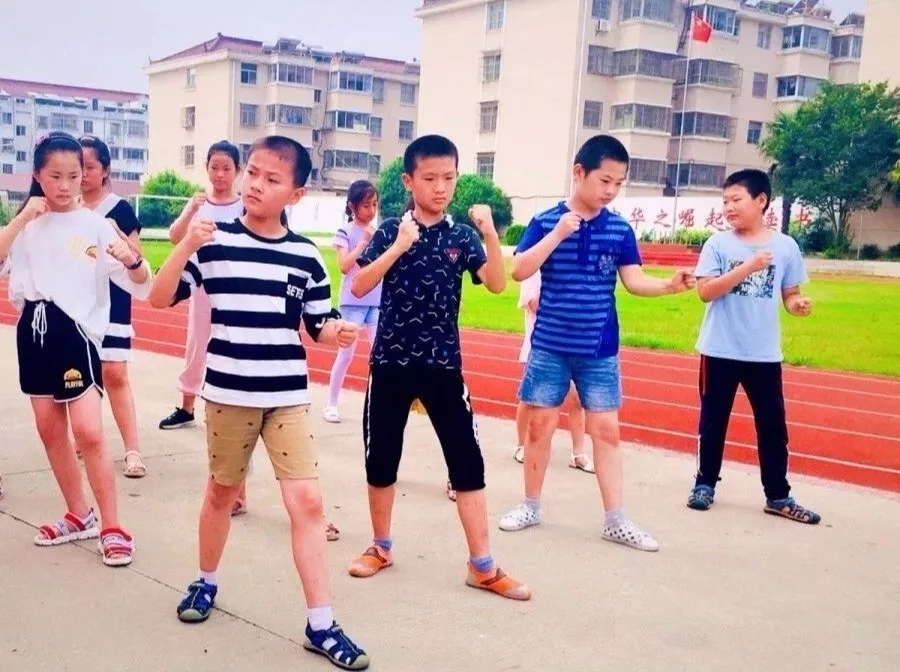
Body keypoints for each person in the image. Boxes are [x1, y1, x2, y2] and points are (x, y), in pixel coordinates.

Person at [148, 135, 369, 670]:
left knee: (308, 504)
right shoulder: (215, 242)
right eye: (253, 172)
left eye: (272, 179)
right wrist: (186, 244)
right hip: (228, 394)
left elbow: (316, 325)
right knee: (222, 494)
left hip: (286, 396)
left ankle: (321, 624)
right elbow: (157, 297)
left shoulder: (305, 255)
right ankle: (206, 580)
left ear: (296, 194)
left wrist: (336, 331)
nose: (255, 185)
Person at [346, 134, 530, 601]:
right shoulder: (391, 229)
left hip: (444, 365)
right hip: (390, 362)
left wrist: (491, 234)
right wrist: (398, 246)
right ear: (409, 181)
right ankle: (380, 546)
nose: (441, 187)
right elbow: (360, 285)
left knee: (467, 462)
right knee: (381, 458)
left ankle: (482, 565)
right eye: (430, 178)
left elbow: (495, 284)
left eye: (449, 178)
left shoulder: (461, 236)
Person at [498, 134, 695, 552]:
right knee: (540, 426)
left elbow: (633, 280)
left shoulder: (619, 229)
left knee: (606, 431)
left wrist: (668, 286)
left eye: (618, 183)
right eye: (605, 180)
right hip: (550, 343)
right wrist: (558, 235)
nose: (611, 190)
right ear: (579, 173)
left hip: (600, 347)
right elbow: (519, 270)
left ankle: (616, 520)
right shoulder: (546, 221)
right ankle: (530, 506)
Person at [0, 131, 152, 566]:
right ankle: (78, 514)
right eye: (55, 176)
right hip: (33, 332)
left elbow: (143, 285)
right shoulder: (27, 225)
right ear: (37, 175)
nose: (66, 185)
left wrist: (132, 259)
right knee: (50, 430)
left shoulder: (96, 225)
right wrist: (21, 220)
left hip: (76, 334)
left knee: (88, 431)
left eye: (74, 174)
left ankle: (113, 526)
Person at [687, 169, 820, 524]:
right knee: (713, 422)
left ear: (761, 201)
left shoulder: (786, 247)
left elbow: (789, 293)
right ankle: (704, 484)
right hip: (719, 349)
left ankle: (778, 495)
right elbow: (705, 292)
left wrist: (797, 305)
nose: (728, 207)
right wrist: (747, 267)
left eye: (736, 199)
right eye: (725, 201)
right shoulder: (718, 244)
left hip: (763, 353)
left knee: (773, 425)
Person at [159, 140, 244, 432]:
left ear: (237, 171)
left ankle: (234, 404)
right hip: (202, 284)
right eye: (214, 167)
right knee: (197, 343)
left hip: (235, 287)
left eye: (226, 168)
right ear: (206, 167)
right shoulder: (198, 203)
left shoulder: (244, 206)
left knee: (235, 342)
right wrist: (189, 212)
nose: (220, 174)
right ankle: (187, 406)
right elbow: (175, 237)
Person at [79, 135, 146, 478]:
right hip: (76, 301)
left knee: (115, 373)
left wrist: (119, 239)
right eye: (79, 167)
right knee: (79, 372)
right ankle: (85, 436)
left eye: (90, 167)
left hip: (114, 300)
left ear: (105, 170)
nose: (83, 174)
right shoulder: (68, 208)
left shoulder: (120, 209)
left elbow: (138, 259)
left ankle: (132, 449)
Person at [513, 270, 592, 473]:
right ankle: (521, 445)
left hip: (571, 344)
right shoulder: (533, 269)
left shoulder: (568, 268)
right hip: (540, 344)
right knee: (530, 399)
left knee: (576, 398)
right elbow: (533, 303)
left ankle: (578, 453)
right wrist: (566, 301)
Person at [323, 180, 381, 424]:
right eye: (366, 205)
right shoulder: (345, 232)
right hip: (352, 303)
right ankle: (331, 404)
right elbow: (345, 266)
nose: (371, 210)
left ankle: (379, 406)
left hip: (377, 301)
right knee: (346, 355)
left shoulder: (379, 232)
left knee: (380, 356)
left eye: (374, 204)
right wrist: (363, 243)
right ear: (352, 206)